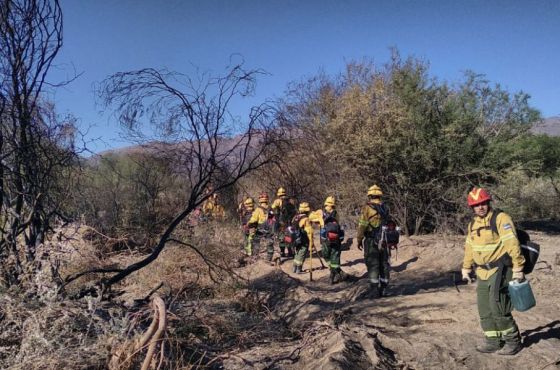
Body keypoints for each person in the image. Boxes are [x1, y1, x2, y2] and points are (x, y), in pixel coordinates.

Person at [462, 187, 525, 355]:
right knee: (484, 309)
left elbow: (512, 244)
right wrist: (466, 267)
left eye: (483, 203)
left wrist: (518, 267)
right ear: (472, 208)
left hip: (501, 269)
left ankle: (513, 341)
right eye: (476, 205)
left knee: (498, 306)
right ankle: (493, 341)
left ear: (488, 202)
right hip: (482, 272)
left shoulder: (501, 218)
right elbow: (470, 247)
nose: (480, 207)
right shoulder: (472, 225)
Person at [356, 185, 390, 296]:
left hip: (371, 240)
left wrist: (359, 239)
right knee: (384, 263)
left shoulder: (367, 208)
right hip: (384, 240)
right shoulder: (385, 207)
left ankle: (374, 289)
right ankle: (384, 288)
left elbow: (362, 225)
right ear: (380, 195)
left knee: (373, 263)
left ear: (370, 195)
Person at [311, 196, 345, 284]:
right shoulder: (336, 214)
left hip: (326, 238)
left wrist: (319, 219)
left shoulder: (322, 213)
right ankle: (336, 273)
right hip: (335, 238)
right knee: (335, 256)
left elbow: (311, 217)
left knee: (327, 255)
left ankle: (333, 274)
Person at [247, 193, 275, 261]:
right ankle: (269, 257)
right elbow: (273, 219)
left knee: (256, 241)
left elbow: (254, 220)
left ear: (260, 200)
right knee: (270, 242)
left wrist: (249, 224)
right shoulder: (270, 209)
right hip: (269, 228)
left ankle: (255, 256)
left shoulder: (258, 209)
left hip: (261, 228)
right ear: (267, 199)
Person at [271, 187, 297, 258]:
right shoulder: (291, 201)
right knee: (289, 237)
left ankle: (282, 252)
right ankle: (290, 252)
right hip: (290, 223)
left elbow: (274, 210)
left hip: (281, 223)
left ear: (278, 194)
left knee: (281, 238)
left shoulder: (277, 201)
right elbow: (295, 211)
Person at [292, 202, 314, 274]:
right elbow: (309, 232)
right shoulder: (306, 219)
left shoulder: (295, 217)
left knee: (297, 252)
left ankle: (294, 267)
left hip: (295, 239)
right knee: (302, 252)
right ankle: (299, 269)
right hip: (303, 239)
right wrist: (311, 243)